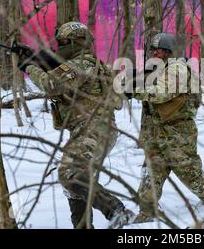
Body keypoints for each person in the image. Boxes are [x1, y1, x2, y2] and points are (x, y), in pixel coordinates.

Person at [18, 21, 134, 229]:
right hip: (91, 130)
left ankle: (116, 211)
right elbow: (59, 72)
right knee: (75, 185)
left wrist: (29, 66)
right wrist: (35, 58)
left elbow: (51, 84)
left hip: (94, 129)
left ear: (78, 42)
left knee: (70, 174)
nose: (60, 46)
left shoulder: (83, 64)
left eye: (64, 42)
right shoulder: (86, 64)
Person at [131, 32, 204, 223]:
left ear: (169, 52)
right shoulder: (160, 69)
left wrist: (135, 90)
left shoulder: (177, 68)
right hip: (158, 131)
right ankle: (146, 210)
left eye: (159, 50)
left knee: (187, 171)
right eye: (153, 50)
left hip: (178, 132)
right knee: (151, 170)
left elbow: (162, 93)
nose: (155, 53)